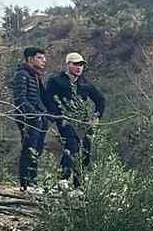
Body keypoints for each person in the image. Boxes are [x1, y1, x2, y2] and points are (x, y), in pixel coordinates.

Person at [43, 52, 106, 185]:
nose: (79, 67)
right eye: (76, 64)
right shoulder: (55, 81)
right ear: (68, 65)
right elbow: (48, 99)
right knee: (72, 147)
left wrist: (96, 116)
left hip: (83, 122)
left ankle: (79, 184)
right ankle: (63, 179)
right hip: (64, 120)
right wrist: (56, 115)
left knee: (86, 152)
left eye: (81, 65)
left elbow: (100, 99)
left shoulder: (85, 83)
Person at [9, 46, 50, 188]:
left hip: (39, 118)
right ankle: (25, 184)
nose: (43, 61)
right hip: (28, 119)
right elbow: (20, 99)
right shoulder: (22, 74)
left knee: (37, 149)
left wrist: (46, 114)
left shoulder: (35, 75)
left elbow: (40, 98)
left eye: (44, 58)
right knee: (29, 149)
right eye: (40, 58)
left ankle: (32, 180)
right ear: (30, 59)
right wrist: (34, 114)